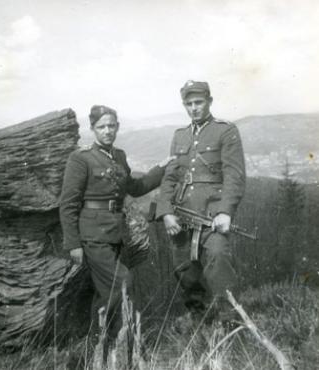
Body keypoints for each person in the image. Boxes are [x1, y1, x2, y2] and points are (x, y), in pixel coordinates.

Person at [59, 105, 172, 346]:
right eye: (101, 126)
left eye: (111, 125)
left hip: (117, 233)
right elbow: (68, 203)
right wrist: (73, 244)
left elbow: (135, 187)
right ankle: (98, 343)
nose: (107, 131)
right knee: (121, 283)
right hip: (93, 235)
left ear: (118, 127)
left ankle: (108, 344)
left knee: (109, 291)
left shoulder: (119, 156)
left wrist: (161, 170)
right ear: (92, 129)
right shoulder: (81, 158)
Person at [156, 80, 246, 324]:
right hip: (183, 216)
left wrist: (225, 211)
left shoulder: (225, 131)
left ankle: (231, 321)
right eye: (189, 104)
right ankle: (199, 321)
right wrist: (165, 211)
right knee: (186, 271)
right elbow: (170, 177)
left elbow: (234, 176)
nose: (194, 108)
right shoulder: (180, 135)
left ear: (209, 102)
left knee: (219, 263)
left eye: (199, 102)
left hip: (212, 216)